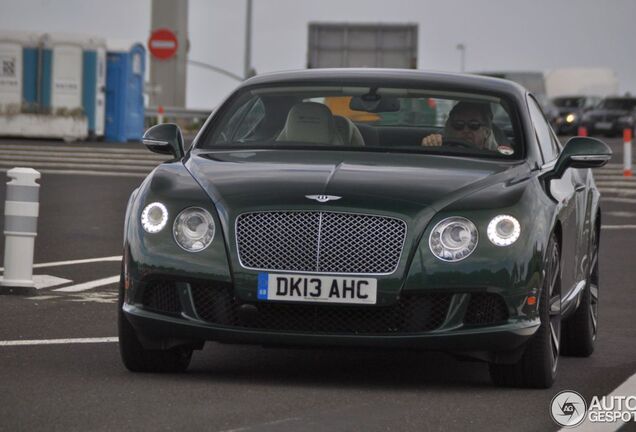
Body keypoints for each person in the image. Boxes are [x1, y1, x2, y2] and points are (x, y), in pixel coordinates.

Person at [421, 101, 500, 151]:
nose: (466, 130)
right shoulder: (442, 150)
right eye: (459, 124)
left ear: (486, 132)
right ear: (451, 129)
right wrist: (429, 146)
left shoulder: (496, 158)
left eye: (473, 125)